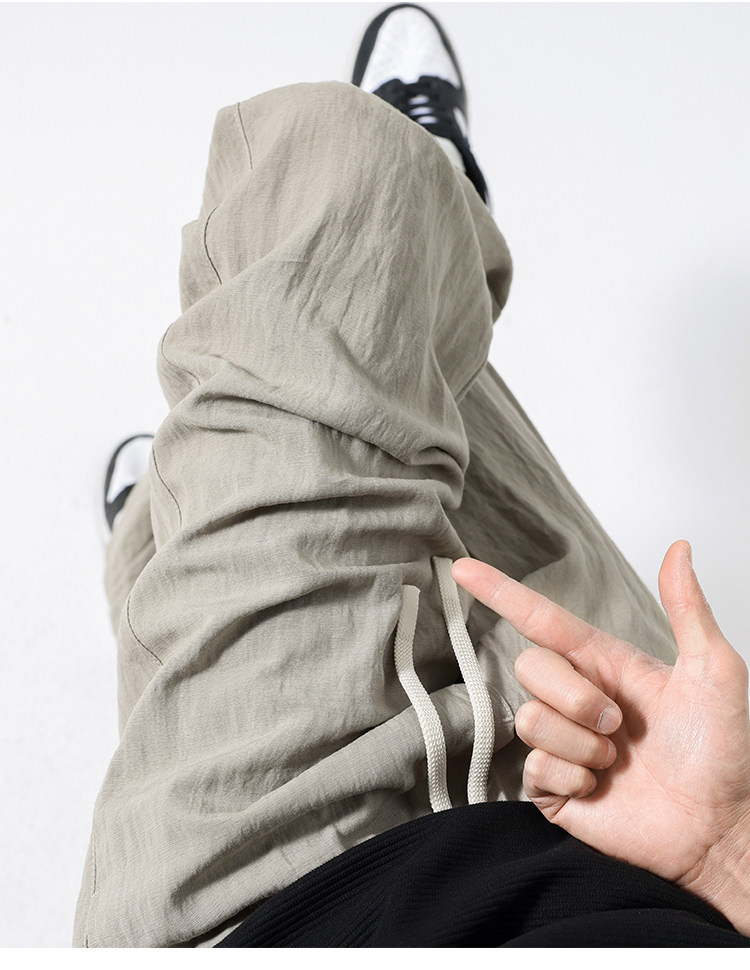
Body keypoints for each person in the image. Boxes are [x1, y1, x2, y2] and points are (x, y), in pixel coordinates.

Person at [77, 4, 750, 947]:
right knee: (515, 542)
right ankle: (180, 522)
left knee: (343, 170)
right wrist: (728, 851)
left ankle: (166, 536)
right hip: (640, 866)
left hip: (264, 906)